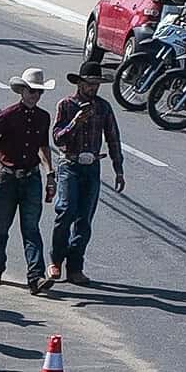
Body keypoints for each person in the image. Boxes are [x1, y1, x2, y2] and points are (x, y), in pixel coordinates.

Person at [0, 68, 58, 293]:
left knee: (31, 228)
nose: (35, 96)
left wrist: (50, 174)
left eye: (39, 92)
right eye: (32, 91)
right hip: (7, 178)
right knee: (0, 226)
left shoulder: (43, 117)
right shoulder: (8, 115)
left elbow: (43, 147)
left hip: (31, 177)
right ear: (22, 91)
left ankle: (36, 277)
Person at [48, 62, 125, 285]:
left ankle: (75, 267)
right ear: (80, 83)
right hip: (69, 165)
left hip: (91, 166)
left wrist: (118, 169)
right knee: (65, 212)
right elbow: (58, 139)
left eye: (96, 84)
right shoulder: (66, 105)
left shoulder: (103, 107)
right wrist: (75, 122)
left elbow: (113, 138)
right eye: (89, 84)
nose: (93, 88)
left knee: (84, 219)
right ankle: (56, 260)